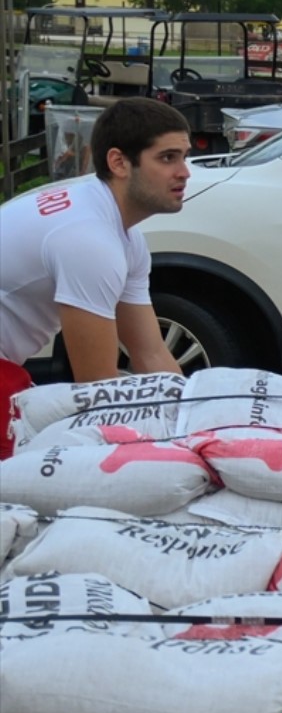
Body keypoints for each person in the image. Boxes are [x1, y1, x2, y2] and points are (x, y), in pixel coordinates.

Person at [1, 98, 192, 458]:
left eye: (184, 156)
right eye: (168, 158)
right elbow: (97, 388)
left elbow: (150, 354)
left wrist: (197, 419)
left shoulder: (124, 236)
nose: (184, 172)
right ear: (119, 162)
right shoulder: (89, 239)